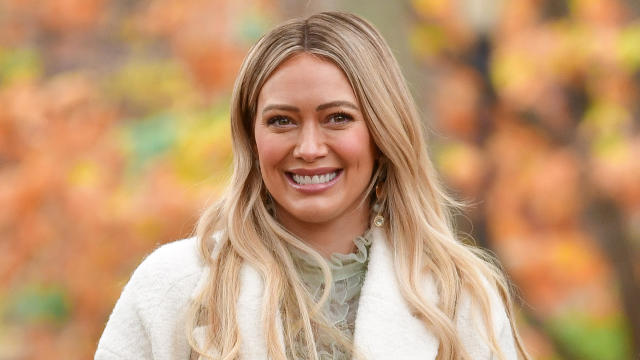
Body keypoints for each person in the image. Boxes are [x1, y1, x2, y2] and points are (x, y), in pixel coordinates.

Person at [95, 11, 529, 360]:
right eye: (281, 121)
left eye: (337, 118)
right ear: (252, 138)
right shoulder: (177, 284)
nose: (308, 147)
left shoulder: (458, 294)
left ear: (381, 132)